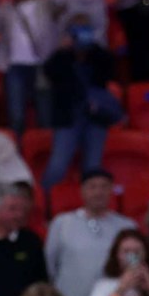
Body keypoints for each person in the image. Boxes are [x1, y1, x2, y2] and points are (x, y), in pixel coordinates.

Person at [43, 168, 135, 296]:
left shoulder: (126, 226)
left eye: (104, 187)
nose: (98, 192)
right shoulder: (62, 223)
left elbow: (133, 265)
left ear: (111, 190)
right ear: (82, 190)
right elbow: (50, 265)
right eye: (92, 187)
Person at [42, 17, 119, 189]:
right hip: (68, 117)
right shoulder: (62, 57)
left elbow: (109, 72)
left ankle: (89, 209)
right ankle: (45, 204)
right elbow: (50, 73)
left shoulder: (99, 56)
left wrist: (93, 49)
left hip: (95, 117)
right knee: (58, 165)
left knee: (92, 167)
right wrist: (63, 51)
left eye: (85, 31)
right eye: (77, 31)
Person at [0, 0, 61, 135]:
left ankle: (42, 155)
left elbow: (64, 3)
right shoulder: (6, 7)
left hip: (42, 67)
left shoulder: (45, 3)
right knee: (16, 117)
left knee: (45, 117)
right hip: (15, 68)